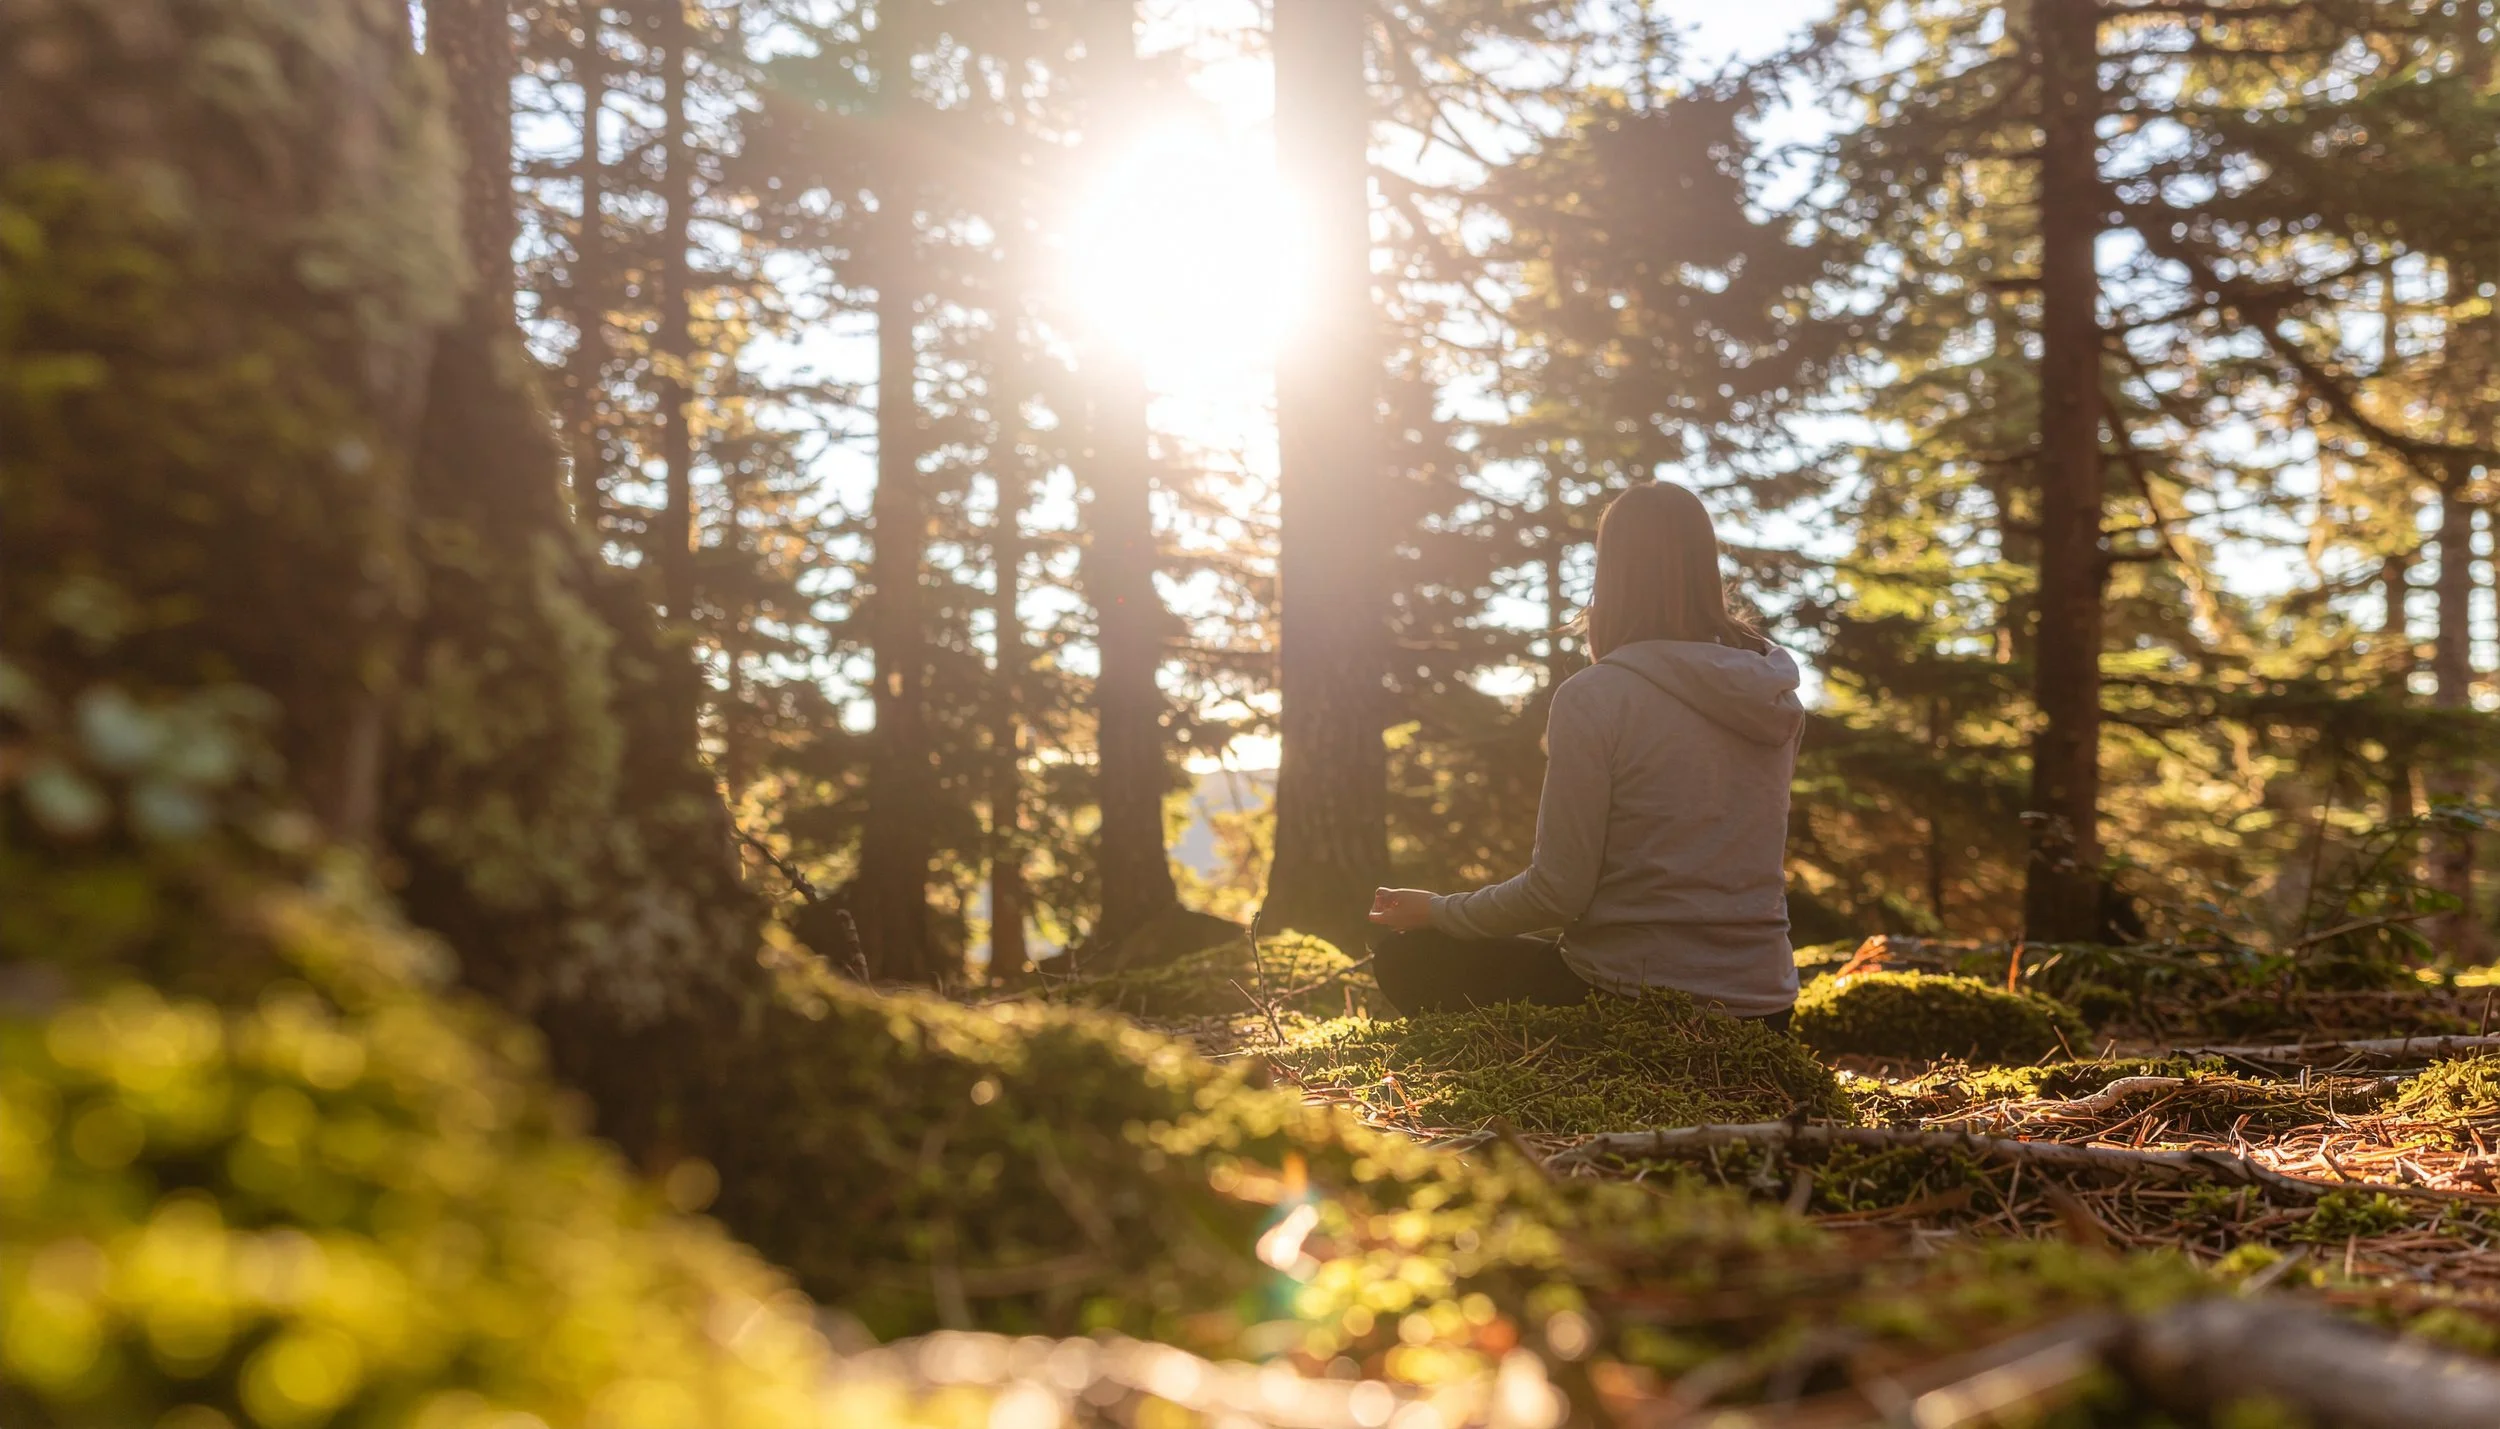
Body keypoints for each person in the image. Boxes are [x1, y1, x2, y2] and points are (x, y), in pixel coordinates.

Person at [1367, 481, 1803, 1032]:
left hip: (1629, 999)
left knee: (1409, 957)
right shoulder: (1772, 694)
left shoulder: (1597, 694)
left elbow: (1558, 892)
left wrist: (1437, 910)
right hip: (1766, 1009)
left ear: (1612, 572)